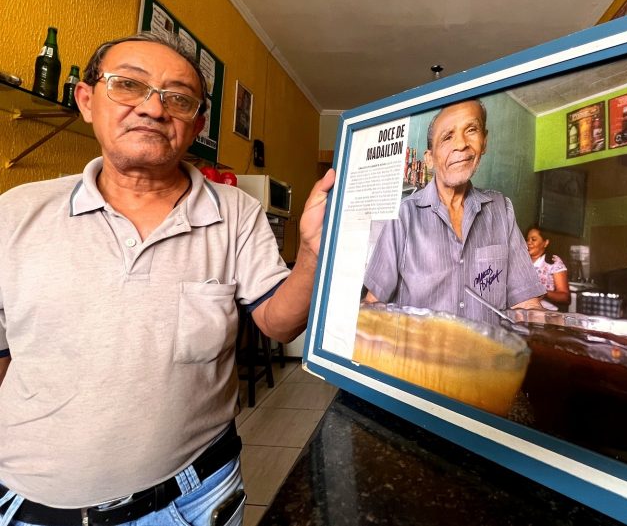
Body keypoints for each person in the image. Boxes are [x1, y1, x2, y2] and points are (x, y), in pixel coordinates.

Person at [0, 33, 334, 526]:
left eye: (177, 98)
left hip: (194, 499)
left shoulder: (236, 212)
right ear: (87, 100)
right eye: (129, 86)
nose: (154, 110)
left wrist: (310, 253)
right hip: (35, 507)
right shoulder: (15, 212)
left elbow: (279, 325)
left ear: (196, 125)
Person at [363, 98, 544, 324]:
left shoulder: (501, 210)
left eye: (471, 129)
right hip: (420, 358)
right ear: (429, 158)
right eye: (447, 137)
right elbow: (373, 305)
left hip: (487, 356)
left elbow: (526, 304)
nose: (461, 144)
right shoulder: (403, 216)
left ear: (484, 141)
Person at [525, 226, 570, 311]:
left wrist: (544, 293)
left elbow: (565, 297)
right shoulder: (521, 261)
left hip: (546, 314)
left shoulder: (554, 262)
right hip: (523, 311)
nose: (528, 243)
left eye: (533, 239)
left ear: (545, 243)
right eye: (527, 240)